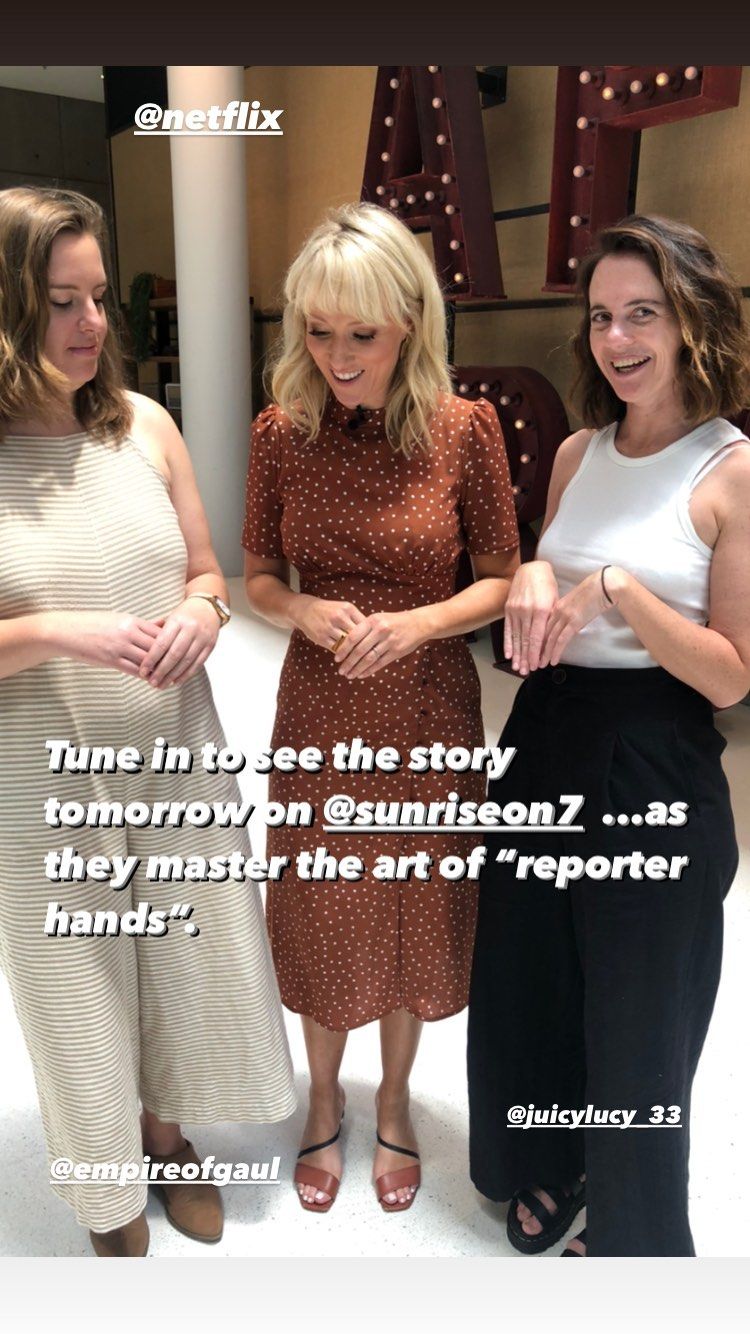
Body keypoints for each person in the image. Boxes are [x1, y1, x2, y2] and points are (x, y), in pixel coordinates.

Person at [0, 186, 296, 1257]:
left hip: (174, 753)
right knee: (74, 984)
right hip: (41, 776)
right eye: (59, 303)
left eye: (97, 300)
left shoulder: (144, 426)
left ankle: (168, 1138)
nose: (90, 325)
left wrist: (202, 613)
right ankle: (109, 1191)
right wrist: (57, 630)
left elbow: (209, 572)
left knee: (183, 956)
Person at [467, 214, 750, 1257]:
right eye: (600, 317)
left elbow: (733, 671)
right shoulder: (577, 452)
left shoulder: (730, 471)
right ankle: (548, 1158)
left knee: (639, 1007)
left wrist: (622, 589)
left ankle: (633, 1224)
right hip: (546, 732)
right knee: (532, 974)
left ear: (692, 320)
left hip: (655, 752)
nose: (617, 339)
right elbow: (545, 569)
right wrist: (537, 573)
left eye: (644, 314)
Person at [242, 202, 519, 1213]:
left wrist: (418, 624)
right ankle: (324, 1096)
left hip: (430, 702)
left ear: (411, 321)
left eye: (361, 332)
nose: (337, 355)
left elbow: (503, 578)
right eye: (318, 331)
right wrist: (302, 610)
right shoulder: (282, 431)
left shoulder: (465, 430)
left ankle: (394, 1097)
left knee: (414, 899)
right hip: (321, 703)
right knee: (325, 898)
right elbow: (256, 577)